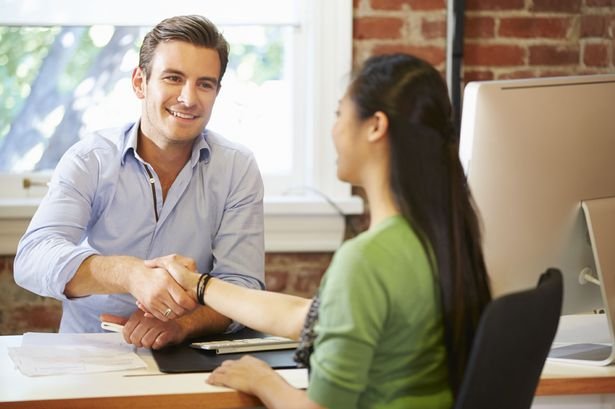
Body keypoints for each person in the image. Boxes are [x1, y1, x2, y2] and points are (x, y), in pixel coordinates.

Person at [141, 53, 492, 408]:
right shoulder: (435, 240)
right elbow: (305, 316)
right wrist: (198, 285)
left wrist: (265, 382)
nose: (334, 129)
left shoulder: (366, 261)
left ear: (375, 126)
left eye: (340, 113)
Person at [13, 15, 265, 349]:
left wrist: (184, 325)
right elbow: (33, 258)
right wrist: (131, 275)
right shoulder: (90, 158)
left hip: (185, 355)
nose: (189, 98)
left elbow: (243, 287)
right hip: (87, 353)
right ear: (139, 83)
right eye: (173, 78)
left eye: (205, 84)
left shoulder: (238, 167)